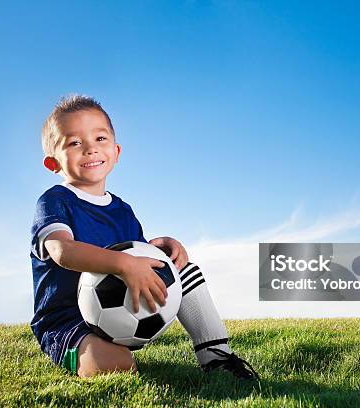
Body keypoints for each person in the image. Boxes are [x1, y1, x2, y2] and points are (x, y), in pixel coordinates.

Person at [30, 94, 258, 380]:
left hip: (118, 312)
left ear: (116, 151)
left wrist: (161, 248)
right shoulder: (55, 201)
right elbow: (62, 251)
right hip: (67, 321)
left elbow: (137, 255)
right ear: (53, 163)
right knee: (117, 365)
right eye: (75, 143)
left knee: (180, 269)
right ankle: (74, 354)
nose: (90, 149)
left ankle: (216, 357)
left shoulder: (122, 209)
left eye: (100, 139)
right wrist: (124, 265)